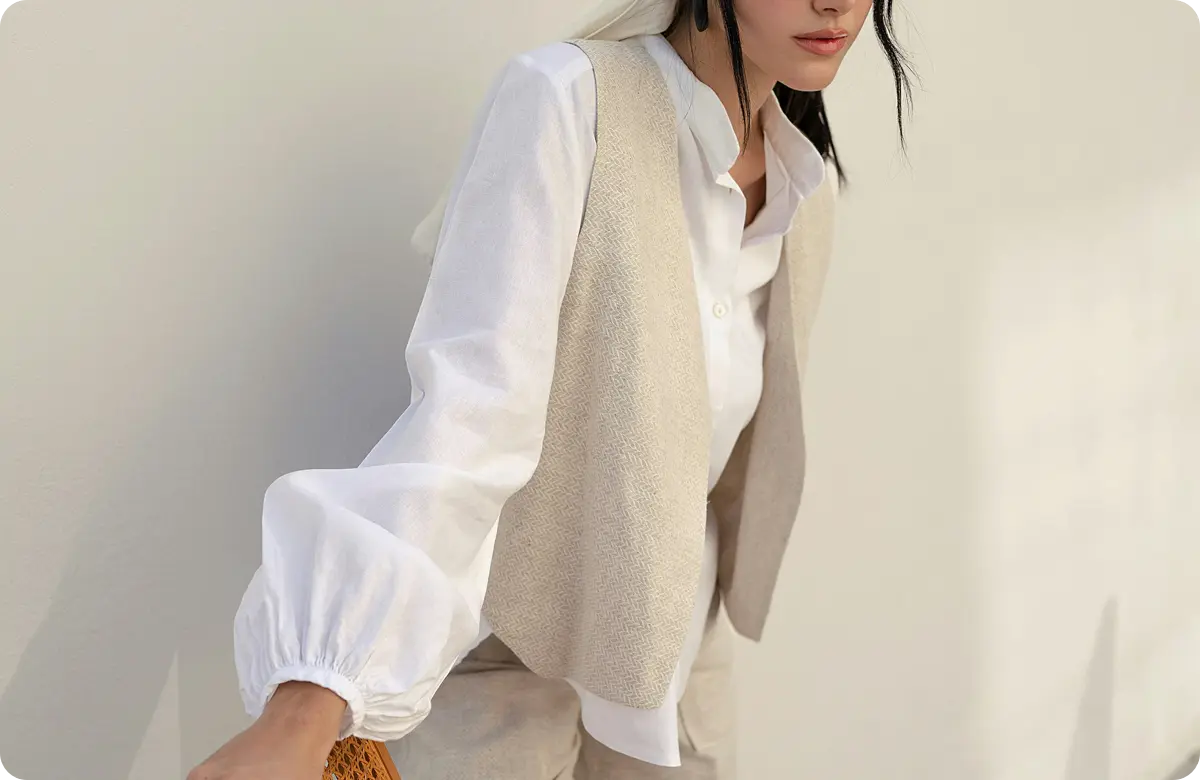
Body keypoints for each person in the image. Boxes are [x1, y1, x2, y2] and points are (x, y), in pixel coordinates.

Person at [190, 0, 912, 778]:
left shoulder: (804, 187)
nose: (837, 2)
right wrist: (310, 700)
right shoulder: (569, 101)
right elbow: (472, 413)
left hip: (676, 670)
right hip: (510, 652)